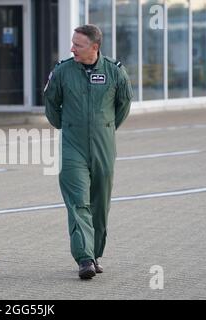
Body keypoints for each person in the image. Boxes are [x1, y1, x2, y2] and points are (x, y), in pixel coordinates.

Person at [44, 24, 132, 279]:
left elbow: (124, 104)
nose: (72, 48)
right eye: (72, 43)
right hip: (73, 146)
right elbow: (51, 103)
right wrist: (65, 124)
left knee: (100, 203)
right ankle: (84, 258)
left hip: (104, 146)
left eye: (78, 45)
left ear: (95, 47)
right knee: (78, 202)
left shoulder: (115, 72)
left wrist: (106, 127)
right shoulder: (62, 71)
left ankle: (95, 254)